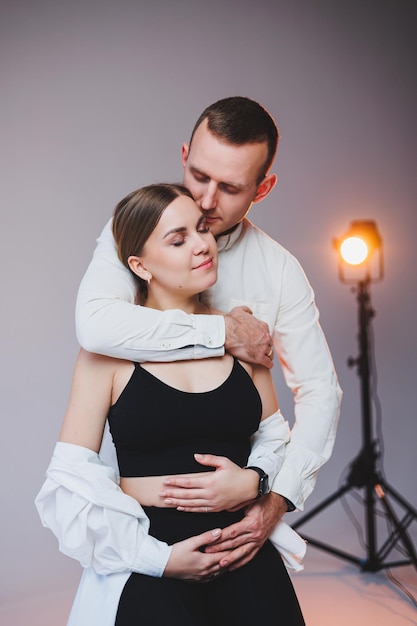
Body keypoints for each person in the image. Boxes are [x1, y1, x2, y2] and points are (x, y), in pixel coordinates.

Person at [75, 96, 342, 570]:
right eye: (199, 175)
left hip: (237, 521)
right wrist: (223, 332)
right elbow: (95, 324)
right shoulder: (134, 231)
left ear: (263, 189)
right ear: (184, 155)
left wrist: (274, 495)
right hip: (148, 527)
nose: (205, 200)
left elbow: (320, 392)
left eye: (231, 187)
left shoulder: (278, 271)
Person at [36, 183, 306, 625]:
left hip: (242, 546)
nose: (202, 245)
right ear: (140, 266)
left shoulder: (241, 333)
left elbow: (275, 435)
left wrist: (255, 481)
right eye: (178, 239)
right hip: (149, 556)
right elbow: (70, 479)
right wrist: (157, 559)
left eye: (202, 229)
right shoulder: (105, 355)